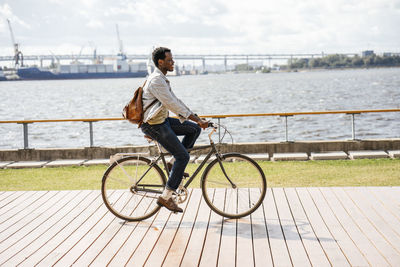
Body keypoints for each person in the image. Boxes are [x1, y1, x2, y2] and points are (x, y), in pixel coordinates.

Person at [141, 47, 209, 213]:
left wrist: (195, 118)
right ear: (160, 62)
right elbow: (173, 105)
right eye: (170, 60)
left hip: (161, 120)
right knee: (183, 156)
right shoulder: (156, 80)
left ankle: (172, 164)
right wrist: (197, 119)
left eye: (173, 60)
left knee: (193, 130)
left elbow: (176, 101)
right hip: (153, 125)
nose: (173, 63)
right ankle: (166, 197)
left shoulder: (161, 79)